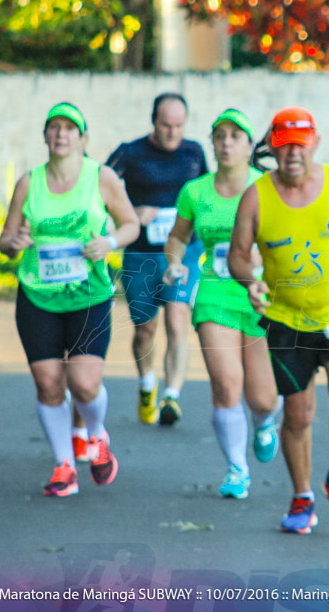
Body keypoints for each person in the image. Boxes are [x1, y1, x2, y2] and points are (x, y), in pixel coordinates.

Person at [228, 105, 329, 533]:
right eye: (283, 144)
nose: (293, 152)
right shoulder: (257, 196)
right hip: (285, 320)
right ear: (273, 149)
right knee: (298, 415)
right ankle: (302, 497)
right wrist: (250, 282)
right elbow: (237, 255)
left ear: (314, 143)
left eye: (300, 143)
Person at [0, 102, 139, 497]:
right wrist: (14, 242)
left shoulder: (101, 177)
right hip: (38, 295)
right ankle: (64, 465)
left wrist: (108, 242)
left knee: (84, 383)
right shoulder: (29, 182)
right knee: (48, 384)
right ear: (45, 136)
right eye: (54, 127)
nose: (61, 134)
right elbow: (6, 241)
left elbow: (131, 224)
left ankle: (96, 436)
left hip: (89, 294)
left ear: (83, 138)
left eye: (69, 128)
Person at [162, 109, 282, 499]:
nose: (226, 142)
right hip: (214, 292)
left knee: (261, 396)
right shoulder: (195, 192)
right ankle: (236, 469)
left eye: (235, 135)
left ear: (250, 145)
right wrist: (176, 262)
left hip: (261, 295)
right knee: (227, 385)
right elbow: (179, 236)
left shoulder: (269, 187)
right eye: (220, 136)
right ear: (212, 144)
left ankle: (266, 421)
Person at [106, 93, 208, 426]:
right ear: (153, 122)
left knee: (178, 321)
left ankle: (172, 397)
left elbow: (206, 191)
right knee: (146, 329)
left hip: (184, 250)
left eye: (179, 125)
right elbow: (97, 191)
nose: (172, 132)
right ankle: (147, 383)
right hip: (141, 254)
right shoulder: (130, 152)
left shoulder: (194, 152)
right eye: (166, 125)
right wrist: (132, 213)